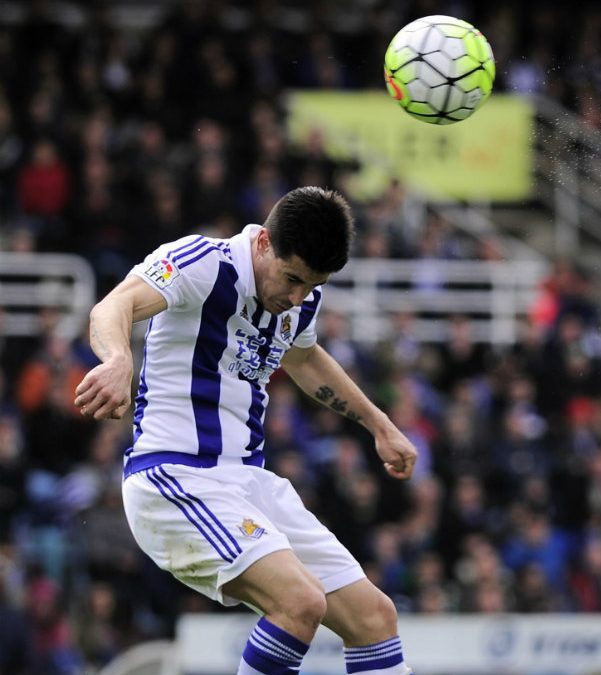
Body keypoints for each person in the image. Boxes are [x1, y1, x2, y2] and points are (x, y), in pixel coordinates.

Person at [73, 187, 418, 675]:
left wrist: (379, 424)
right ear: (263, 244)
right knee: (300, 602)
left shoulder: (301, 294)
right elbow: (113, 307)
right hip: (175, 478)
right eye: (292, 278)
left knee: (374, 617)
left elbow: (302, 356)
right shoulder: (201, 262)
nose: (297, 297)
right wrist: (117, 359)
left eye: (312, 285)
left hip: (249, 484)